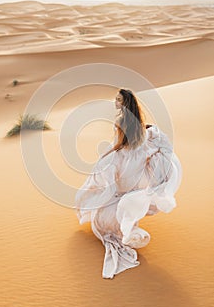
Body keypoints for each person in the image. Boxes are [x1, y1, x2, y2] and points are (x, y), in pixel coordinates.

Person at [75, 88, 182, 279]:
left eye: (118, 100)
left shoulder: (120, 121)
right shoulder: (140, 122)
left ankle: (122, 227)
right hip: (137, 162)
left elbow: (119, 144)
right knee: (128, 193)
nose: (115, 102)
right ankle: (128, 225)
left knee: (109, 192)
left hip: (125, 161)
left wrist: (106, 155)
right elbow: (144, 137)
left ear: (124, 103)